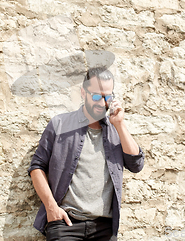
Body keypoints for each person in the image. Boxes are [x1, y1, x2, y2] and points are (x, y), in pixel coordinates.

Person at [29, 67, 145, 241]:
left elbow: (136, 164)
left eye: (108, 96)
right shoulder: (59, 124)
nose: (102, 102)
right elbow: (37, 167)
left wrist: (120, 125)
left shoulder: (115, 131)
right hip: (65, 225)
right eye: (97, 96)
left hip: (104, 228)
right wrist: (51, 207)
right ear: (83, 93)